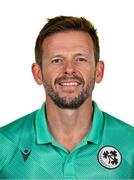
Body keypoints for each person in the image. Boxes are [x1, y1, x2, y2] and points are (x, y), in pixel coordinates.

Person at [0, 16, 134, 179]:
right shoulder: (5, 144)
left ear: (99, 71)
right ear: (38, 73)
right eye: (57, 60)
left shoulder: (130, 144)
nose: (69, 69)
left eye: (80, 59)